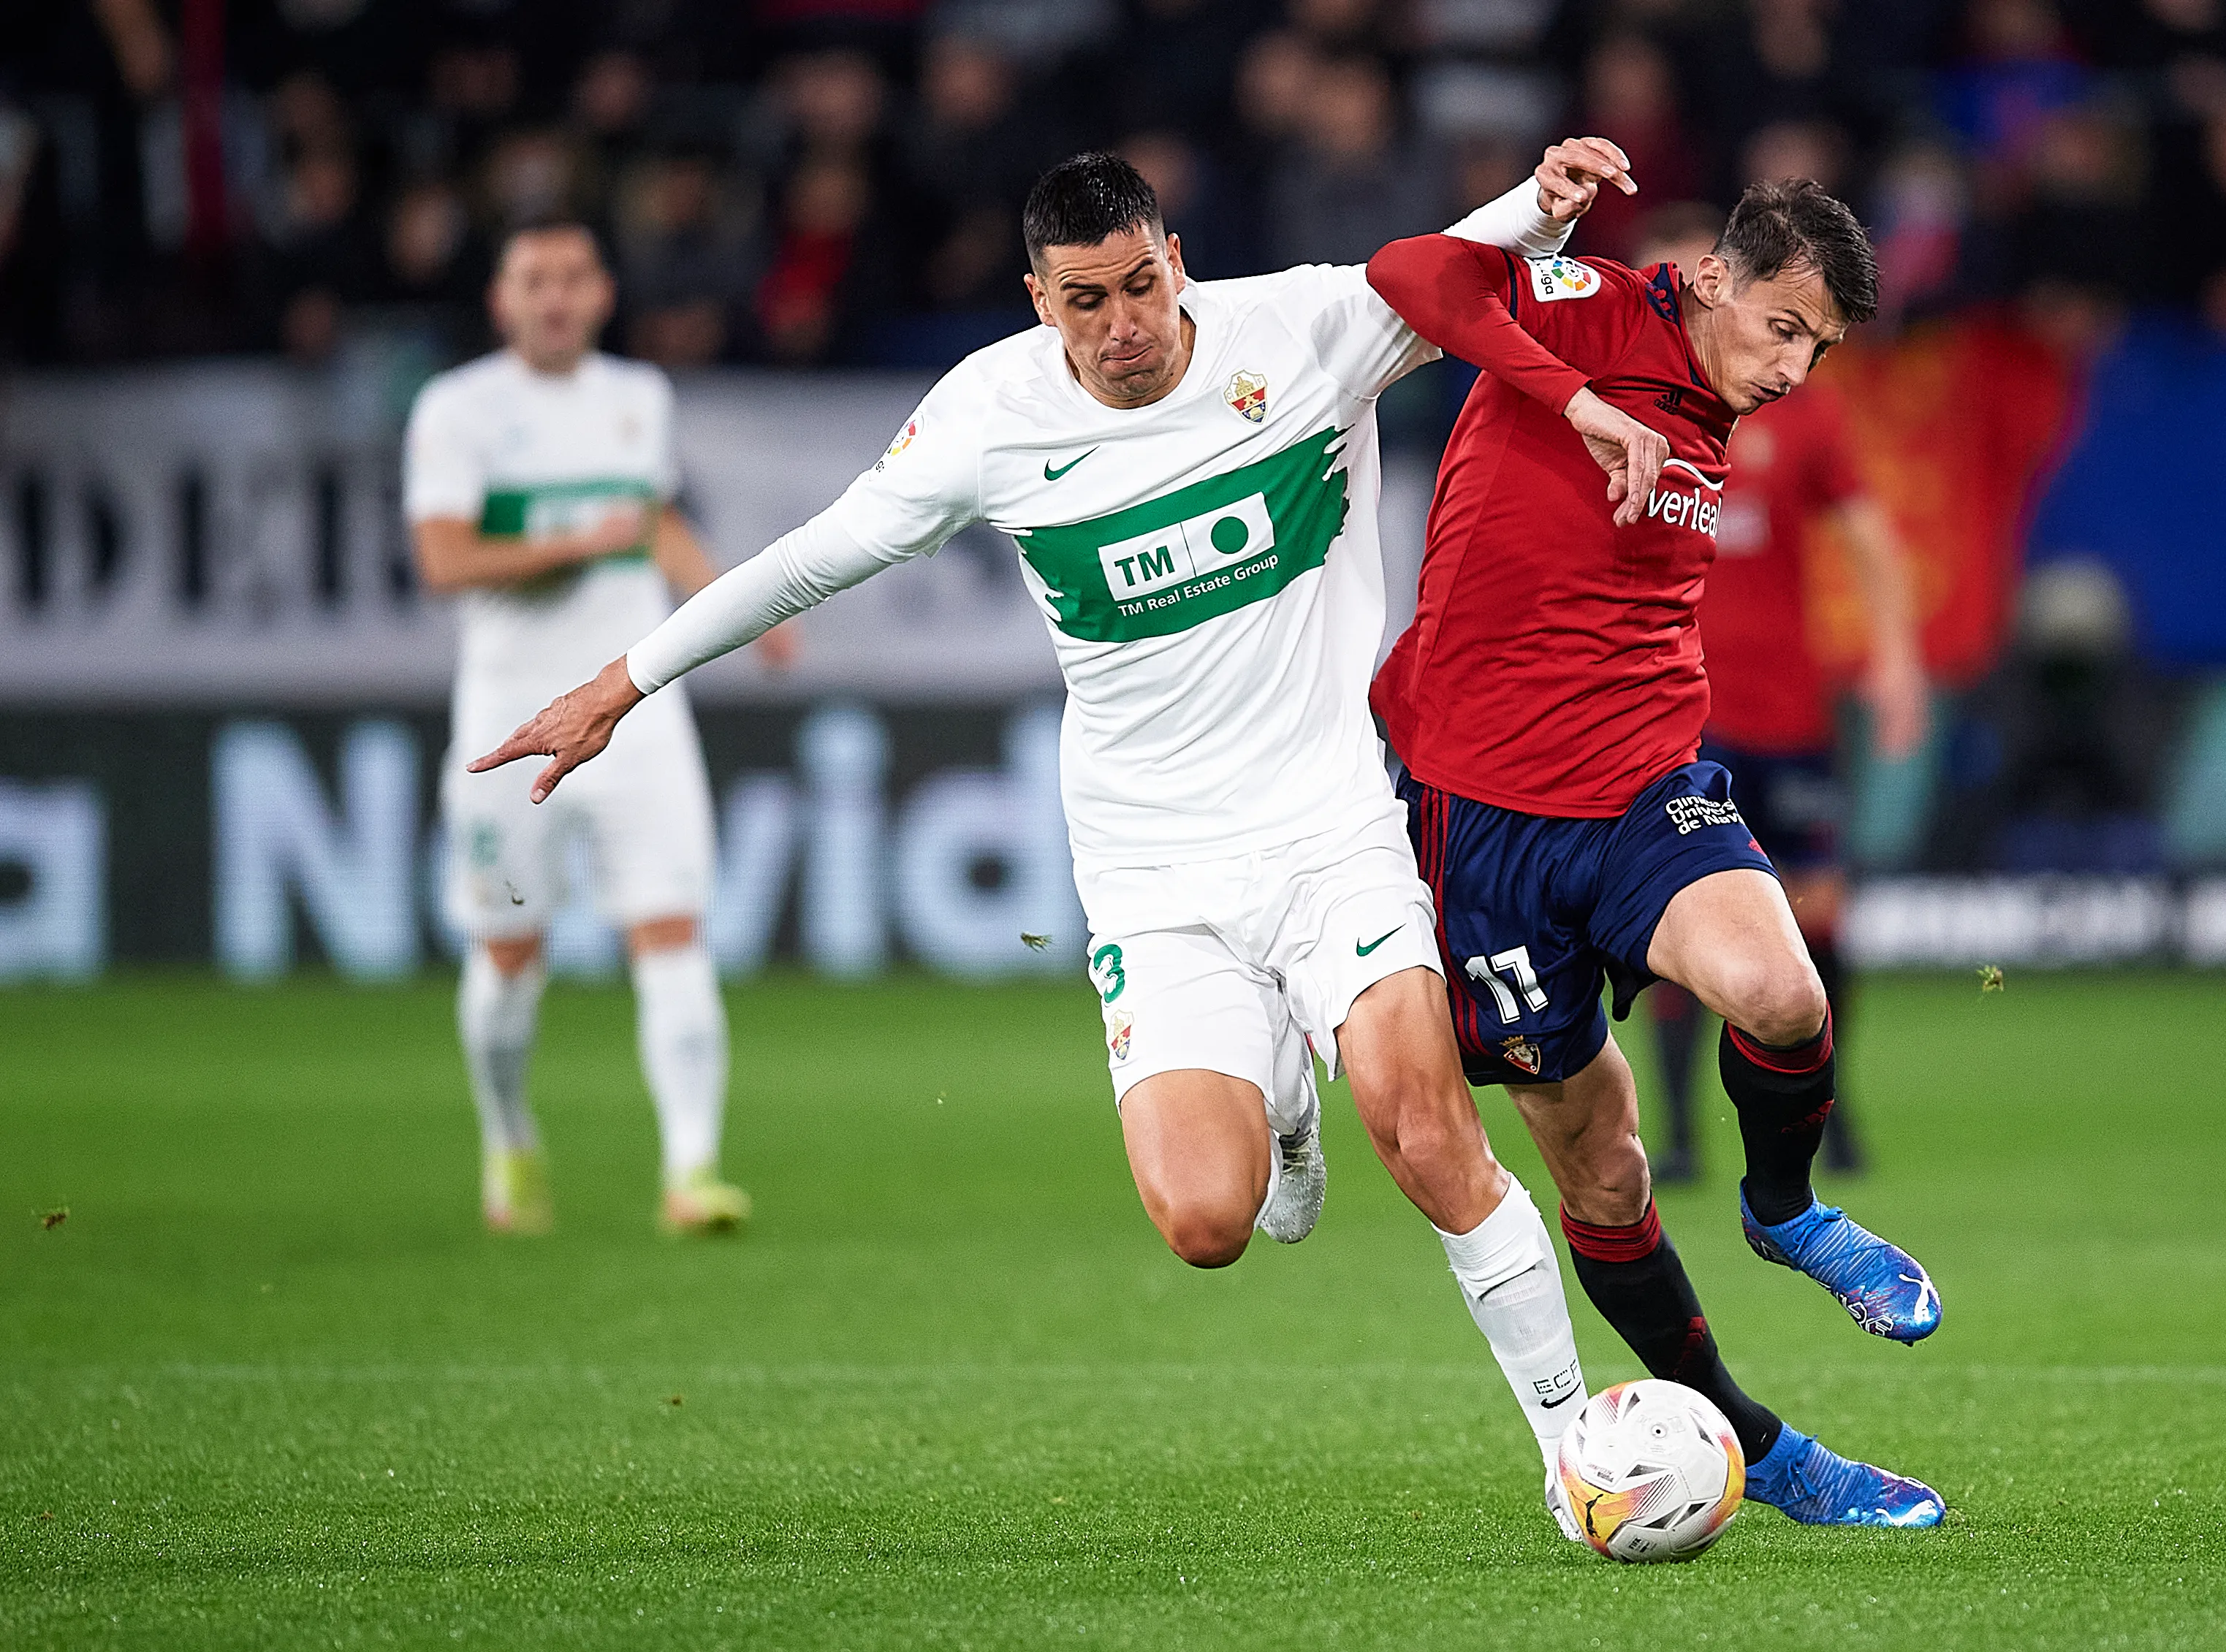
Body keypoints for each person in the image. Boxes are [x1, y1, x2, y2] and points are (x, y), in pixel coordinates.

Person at [468, 145, 1642, 1536]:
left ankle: (1578, 1453)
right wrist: (620, 685)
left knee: (1431, 1129)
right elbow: (810, 556)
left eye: (1142, 286)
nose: (1124, 326)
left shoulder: (1301, 334)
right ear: (1039, 300)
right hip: (1153, 870)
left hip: (1331, 827)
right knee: (1208, 1221)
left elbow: (1446, 263)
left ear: (1178, 259)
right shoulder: (988, 417)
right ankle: (1277, 1089)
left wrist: (1542, 200)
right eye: (1086, 302)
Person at [1364, 178, 1945, 1527]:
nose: (1794, 368)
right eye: (1784, 327)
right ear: (1709, 278)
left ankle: (1787, 1209)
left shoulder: (1728, 406)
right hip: (1480, 819)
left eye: (1819, 349)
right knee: (1604, 1170)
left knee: (1785, 991)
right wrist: (1576, 401)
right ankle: (1766, 1448)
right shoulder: (1593, 308)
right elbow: (1410, 272)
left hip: (1642, 782)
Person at [403, 221, 797, 1238]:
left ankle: (693, 1173)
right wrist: (579, 543)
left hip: (637, 718)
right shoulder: (459, 410)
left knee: (672, 932)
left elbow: (652, 519)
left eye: (573, 276)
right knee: (508, 958)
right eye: (533, 279)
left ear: (603, 292)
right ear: (501, 300)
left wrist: (735, 605)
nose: (555, 297)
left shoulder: (638, 399)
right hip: (510, 720)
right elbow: (444, 563)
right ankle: (508, 1137)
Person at [1631, 205, 1929, 1184]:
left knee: (1817, 916)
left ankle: (1828, 1119)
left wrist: (1895, 662)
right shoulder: (1624, 405)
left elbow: (1871, 533)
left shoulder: (1796, 401)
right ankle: (1678, 1138)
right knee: (1682, 921)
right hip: (1678, 720)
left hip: (1791, 713)